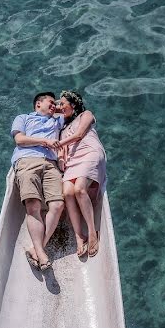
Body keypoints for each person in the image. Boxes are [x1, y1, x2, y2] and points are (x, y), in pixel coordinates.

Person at [10, 91, 66, 271]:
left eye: (54, 104)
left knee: (57, 205)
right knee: (33, 205)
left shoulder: (58, 120)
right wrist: (44, 142)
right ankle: (41, 253)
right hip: (27, 160)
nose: (53, 106)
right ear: (37, 105)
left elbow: (75, 109)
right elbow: (19, 140)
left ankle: (36, 248)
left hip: (51, 164)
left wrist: (58, 106)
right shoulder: (23, 118)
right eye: (50, 103)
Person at [55, 90, 106, 258]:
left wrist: (57, 143)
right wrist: (60, 159)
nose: (59, 106)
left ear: (74, 105)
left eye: (63, 103)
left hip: (90, 152)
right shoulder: (62, 130)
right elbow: (62, 154)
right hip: (72, 161)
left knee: (79, 189)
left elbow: (79, 135)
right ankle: (79, 235)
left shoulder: (86, 114)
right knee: (67, 192)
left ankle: (92, 232)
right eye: (59, 104)